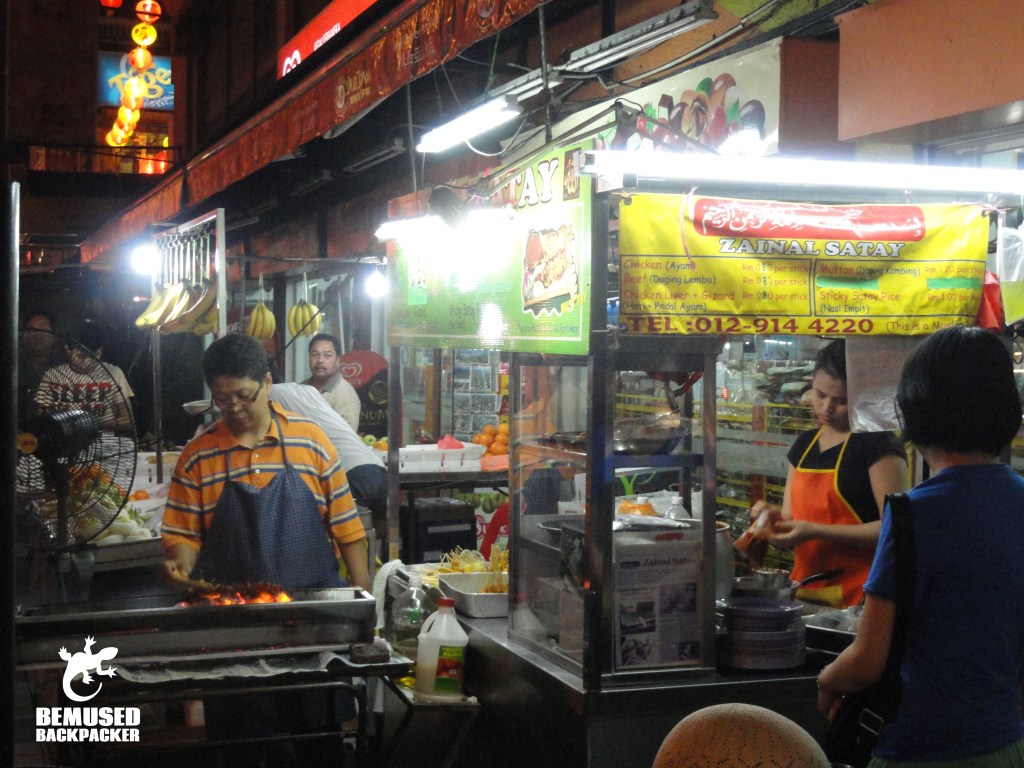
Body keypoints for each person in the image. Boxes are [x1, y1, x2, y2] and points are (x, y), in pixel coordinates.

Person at [816, 326, 1024, 765]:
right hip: (1006, 743)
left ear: (915, 409)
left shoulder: (913, 513)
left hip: (918, 750)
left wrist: (827, 680)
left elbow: (868, 660)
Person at [160, 334, 370, 768]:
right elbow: (182, 532)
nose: (233, 407)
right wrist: (181, 564)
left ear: (268, 383)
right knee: (242, 752)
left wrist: (363, 608)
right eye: (222, 399)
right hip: (233, 637)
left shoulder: (310, 441)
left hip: (312, 631)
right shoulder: (199, 457)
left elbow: (348, 529)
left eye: (243, 395)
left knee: (319, 747)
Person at [748, 339, 908, 607]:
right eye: (820, 395)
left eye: (841, 401)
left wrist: (815, 531)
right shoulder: (804, 445)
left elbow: (894, 530)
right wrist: (771, 520)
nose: (826, 408)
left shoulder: (878, 444)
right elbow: (791, 521)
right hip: (805, 593)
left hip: (863, 599)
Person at [269, 380, 388, 554]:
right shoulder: (309, 390)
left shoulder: (269, 394)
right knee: (376, 538)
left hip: (350, 472)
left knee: (346, 537)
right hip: (376, 467)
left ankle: (353, 577)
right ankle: (377, 572)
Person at [34, 320, 135, 431]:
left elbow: (128, 420)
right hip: (66, 445)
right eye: (82, 356)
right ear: (68, 349)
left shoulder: (114, 373)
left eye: (95, 355)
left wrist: (91, 424)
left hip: (108, 444)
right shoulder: (52, 376)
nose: (88, 362)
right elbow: (43, 419)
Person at [302, 332, 362, 431]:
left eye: (327, 355)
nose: (320, 360)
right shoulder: (302, 388)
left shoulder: (346, 397)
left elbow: (344, 441)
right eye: (315, 354)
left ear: (338, 360)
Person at [18, 309, 62, 423]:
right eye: (32, 330)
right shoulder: (11, 369)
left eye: (43, 331)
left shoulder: (66, 369)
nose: (38, 336)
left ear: (54, 336)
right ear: (22, 336)